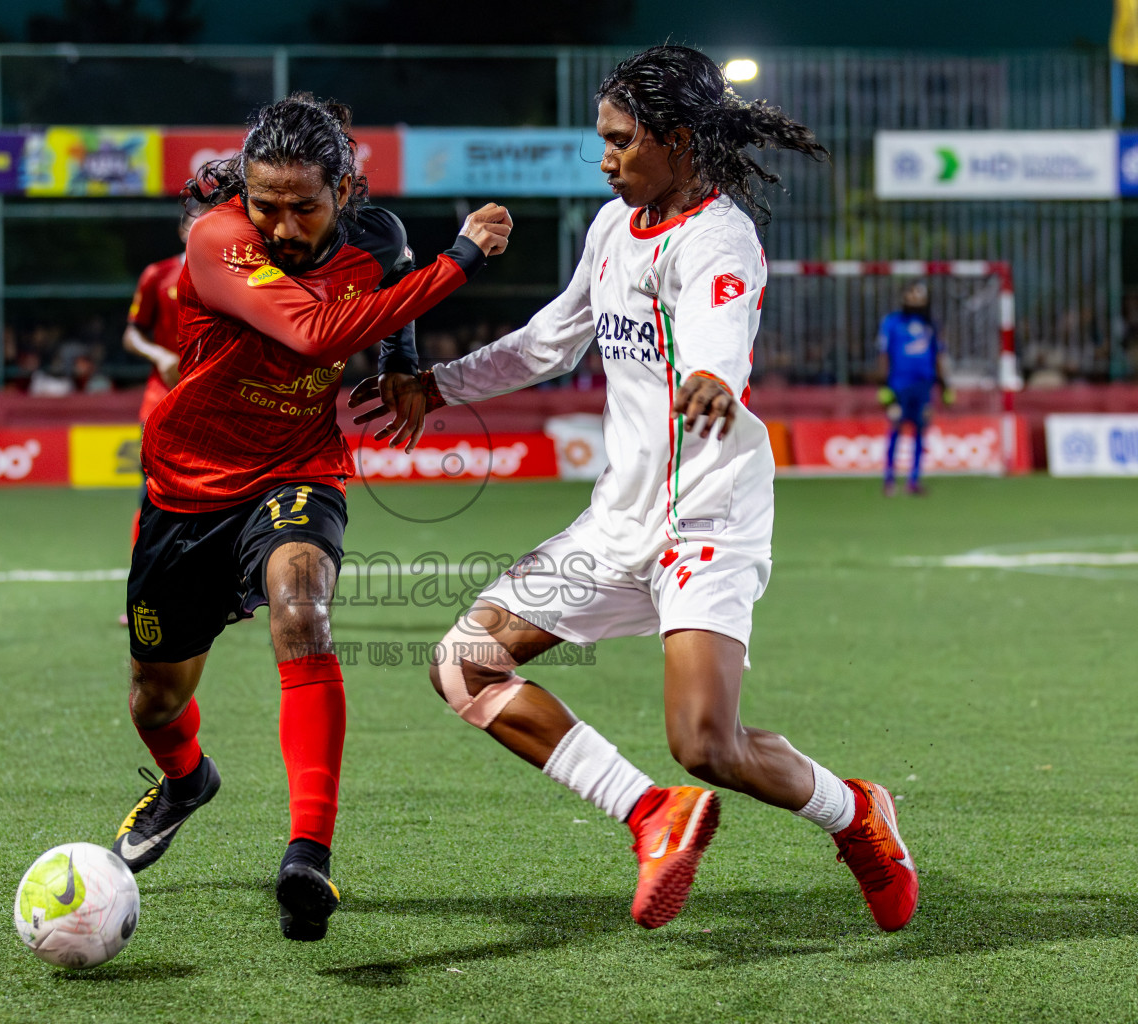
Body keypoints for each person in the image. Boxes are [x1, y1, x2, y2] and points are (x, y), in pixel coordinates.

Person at [352, 45, 917, 935]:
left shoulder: (720, 239)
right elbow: (550, 342)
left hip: (708, 515)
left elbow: (718, 333)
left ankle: (858, 817)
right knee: (463, 664)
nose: (606, 158)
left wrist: (710, 383)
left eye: (620, 141)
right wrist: (439, 384)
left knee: (705, 744)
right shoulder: (614, 228)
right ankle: (650, 814)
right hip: (618, 520)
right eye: (602, 141)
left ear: (680, 140)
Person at [109, 92, 513, 942]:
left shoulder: (379, 238)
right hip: (187, 487)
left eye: (305, 205)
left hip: (298, 466)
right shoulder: (217, 241)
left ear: (345, 191)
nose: (284, 225)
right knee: (154, 699)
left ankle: (308, 858)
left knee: (303, 611)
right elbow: (314, 335)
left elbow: (390, 282)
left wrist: (404, 365)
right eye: (267, 204)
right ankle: (187, 781)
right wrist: (465, 260)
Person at [121, 200, 204, 554]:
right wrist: (159, 354)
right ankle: (144, 592)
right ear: (184, 231)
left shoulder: (240, 275)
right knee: (153, 494)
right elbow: (132, 333)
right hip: (163, 400)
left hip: (216, 400)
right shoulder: (158, 275)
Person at [876, 281, 951, 496]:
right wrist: (883, 386)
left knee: (920, 430)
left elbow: (938, 356)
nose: (915, 299)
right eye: (912, 295)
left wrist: (944, 384)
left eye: (919, 295)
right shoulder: (892, 323)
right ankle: (889, 479)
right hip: (899, 385)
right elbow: (883, 354)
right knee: (896, 428)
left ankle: (914, 480)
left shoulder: (931, 325)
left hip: (924, 386)